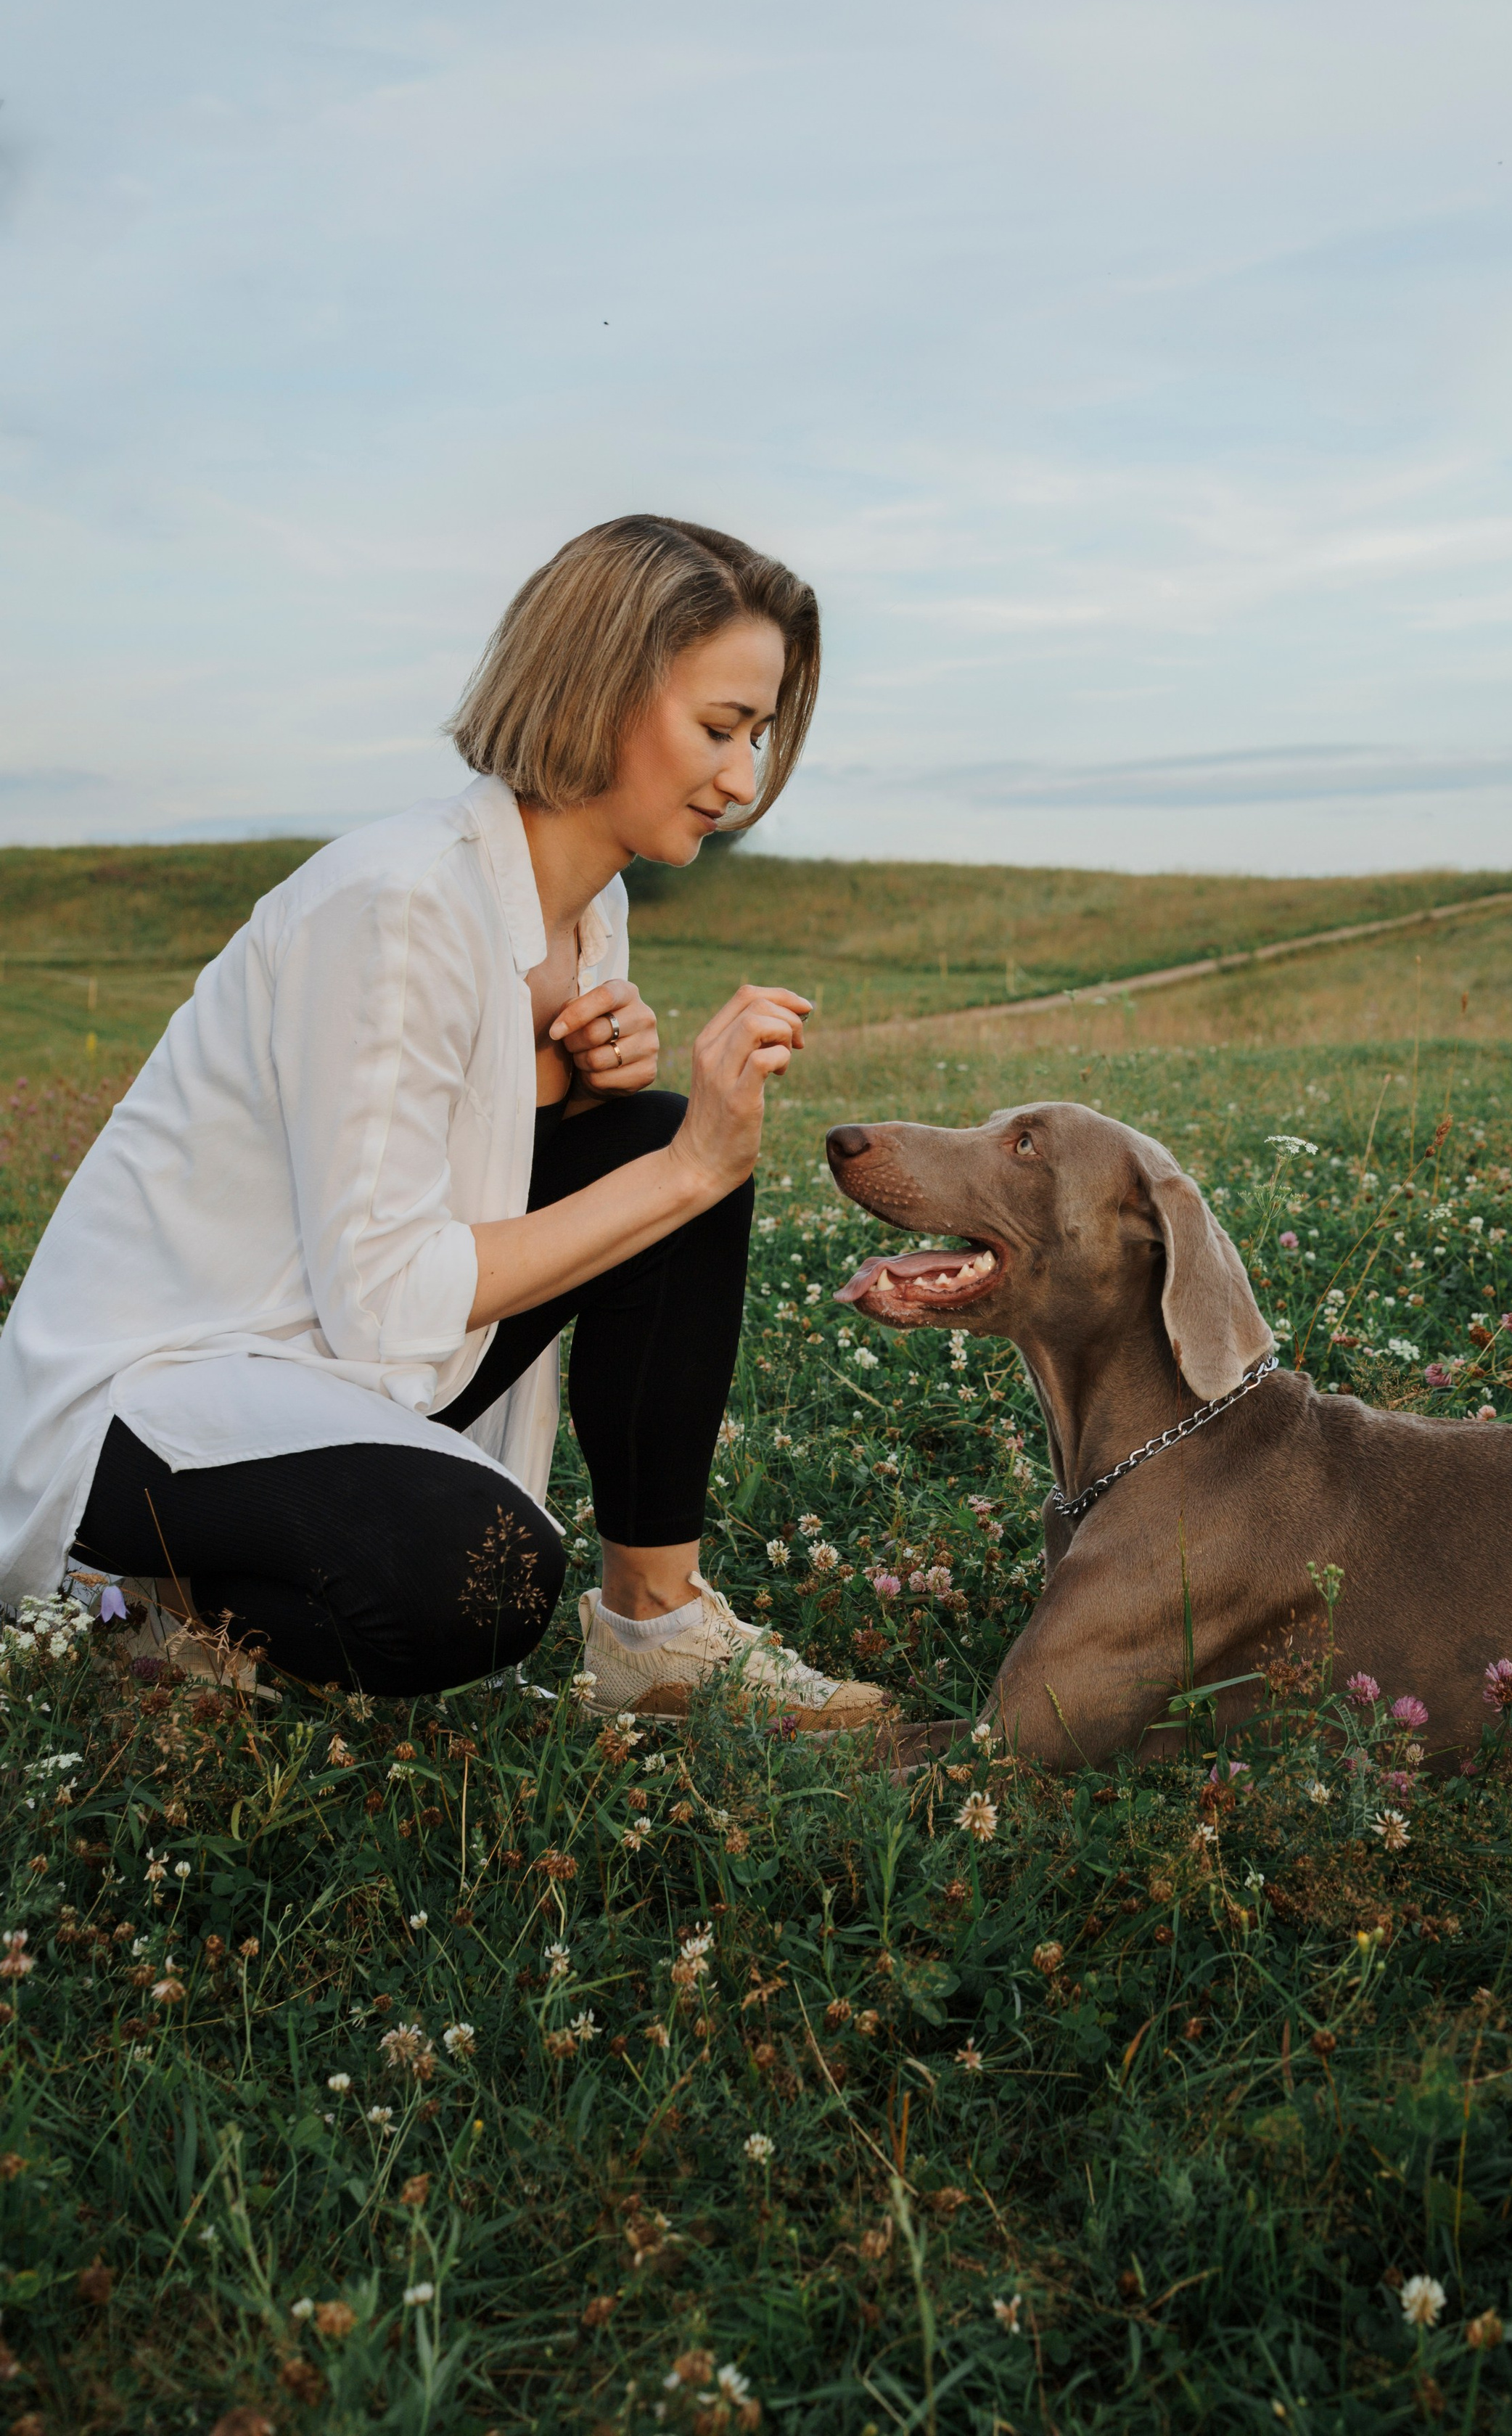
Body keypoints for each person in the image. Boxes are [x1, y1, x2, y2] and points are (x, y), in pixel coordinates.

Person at [0, 514, 890, 1727]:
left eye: (760, 734)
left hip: (315, 1356)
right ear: (600, 691)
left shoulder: (590, 910)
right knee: (481, 1581)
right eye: (720, 728)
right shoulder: (399, 900)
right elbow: (383, 1297)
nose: (743, 778)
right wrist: (684, 1170)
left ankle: (656, 1631)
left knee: (652, 1142)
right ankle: (142, 1601)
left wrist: (576, 1103)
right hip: (152, 1394)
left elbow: (456, 1176)